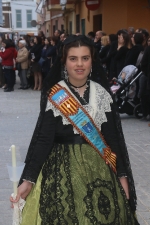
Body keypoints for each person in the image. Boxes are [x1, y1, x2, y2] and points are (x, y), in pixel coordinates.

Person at [10, 35, 139, 225]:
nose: (79, 64)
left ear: (92, 61)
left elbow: (114, 139)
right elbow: (43, 140)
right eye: (73, 58)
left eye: (85, 58)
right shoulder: (56, 95)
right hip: (61, 172)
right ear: (64, 62)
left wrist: (122, 178)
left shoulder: (102, 95)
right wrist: (28, 179)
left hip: (100, 172)